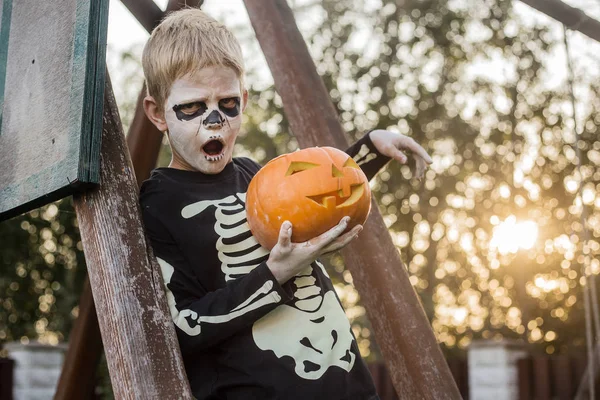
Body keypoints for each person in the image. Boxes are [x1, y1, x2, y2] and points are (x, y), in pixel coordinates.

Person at [139, 8, 432, 400]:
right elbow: (181, 329)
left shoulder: (252, 175)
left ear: (244, 99)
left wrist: (370, 150)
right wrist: (272, 273)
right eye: (193, 106)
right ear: (158, 113)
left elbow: (319, 194)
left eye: (227, 103)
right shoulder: (160, 203)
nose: (215, 122)